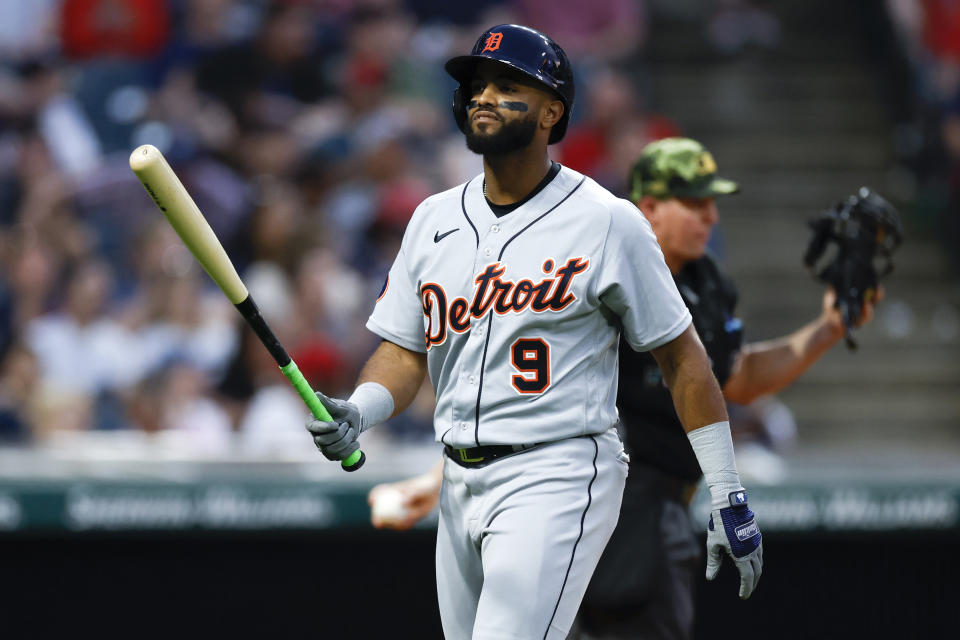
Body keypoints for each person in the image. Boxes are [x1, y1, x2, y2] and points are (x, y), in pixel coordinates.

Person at [307, 28, 762, 640]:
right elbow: (404, 351)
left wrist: (728, 491)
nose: (483, 96)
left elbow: (685, 360)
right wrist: (359, 411)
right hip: (459, 479)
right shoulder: (433, 218)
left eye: (507, 85)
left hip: (558, 470)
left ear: (554, 111)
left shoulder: (607, 220)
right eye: (476, 85)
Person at [369, 136, 883, 639]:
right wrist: (440, 479)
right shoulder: (600, 270)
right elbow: (520, 401)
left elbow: (737, 378)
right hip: (591, 502)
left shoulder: (705, 283)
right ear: (651, 207)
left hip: (645, 509)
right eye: (694, 202)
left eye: (712, 202)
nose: (710, 215)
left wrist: (828, 329)